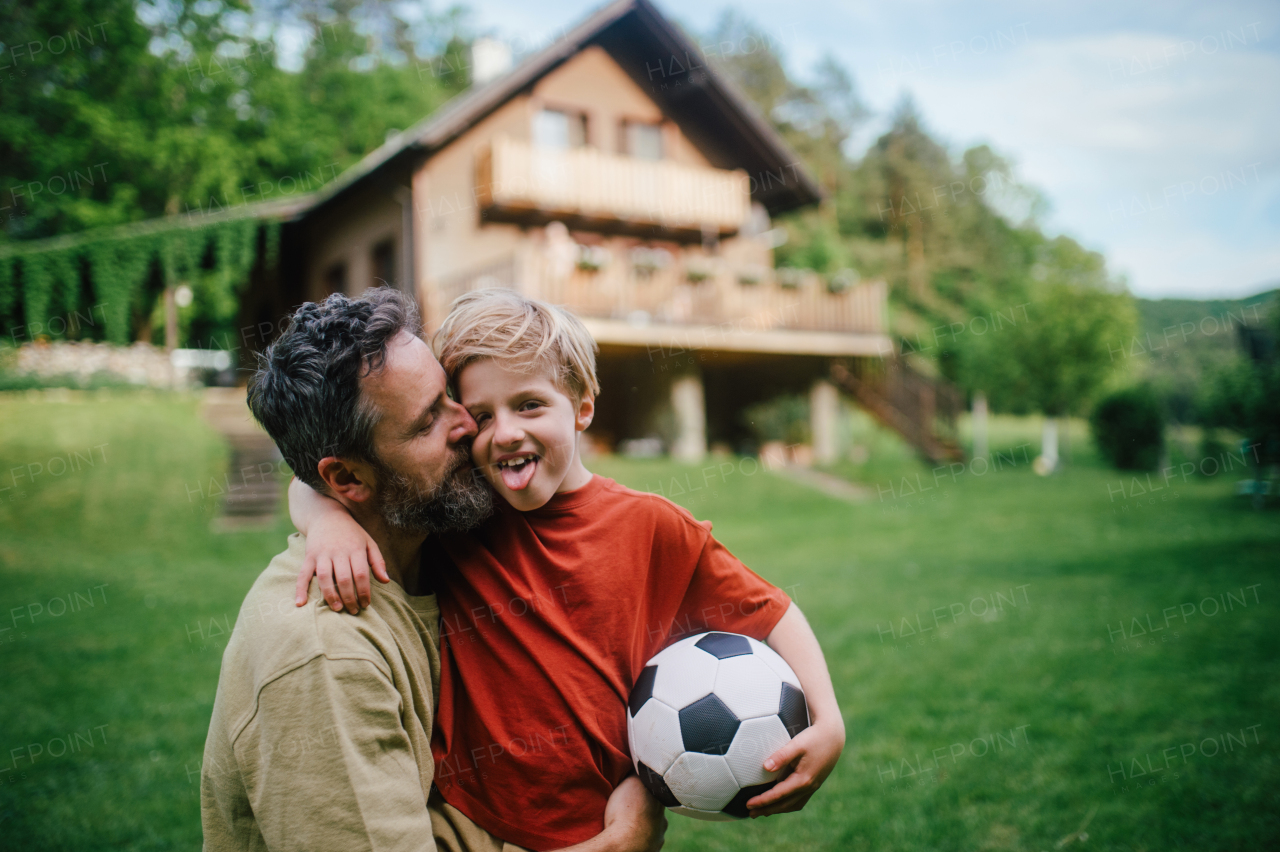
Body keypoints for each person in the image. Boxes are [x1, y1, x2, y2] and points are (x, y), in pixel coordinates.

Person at [291, 289, 846, 851]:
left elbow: (771, 612)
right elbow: (317, 479)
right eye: (482, 415)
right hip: (468, 818)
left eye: (529, 404)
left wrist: (828, 720)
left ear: (582, 406)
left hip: (599, 822)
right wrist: (326, 522)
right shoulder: (461, 513)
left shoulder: (653, 528)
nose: (505, 431)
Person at [201, 289, 666, 852]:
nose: (469, 426)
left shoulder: (442, 528)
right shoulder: (322, 655)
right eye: (427, 423)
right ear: (348, 480)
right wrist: (621, 843)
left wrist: (322, 513)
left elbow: (311, 478)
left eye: (449, 396)